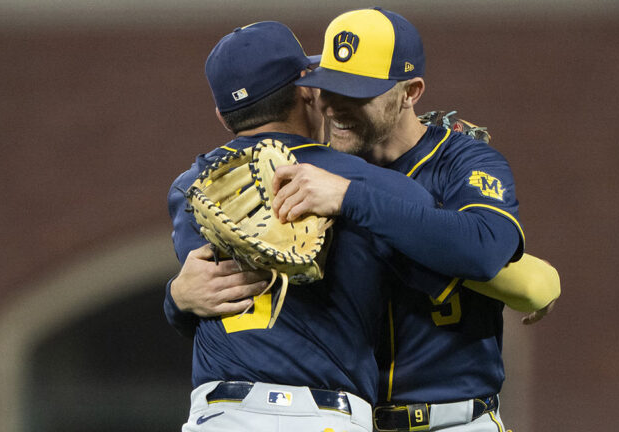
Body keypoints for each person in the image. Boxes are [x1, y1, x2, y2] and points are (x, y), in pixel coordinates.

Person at [166, 21, 466, 432]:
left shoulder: (188, 191)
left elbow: (199, 300)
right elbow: (460, 265)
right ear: (307, 91)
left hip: (219, 414)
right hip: (325, 412)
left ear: (222, 116)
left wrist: (175, 300)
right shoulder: (374, 185)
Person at [272, 7, 560, 431]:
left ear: (411, 92)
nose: (335, 107)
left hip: (455, 418)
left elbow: (484, 249)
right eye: (329, 88)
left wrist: (351, 198)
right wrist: (180, 296)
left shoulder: (460, 159)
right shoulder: (317, 169)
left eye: (358, 92)